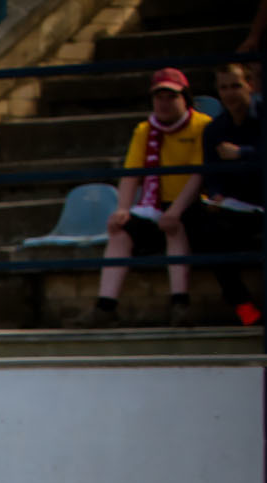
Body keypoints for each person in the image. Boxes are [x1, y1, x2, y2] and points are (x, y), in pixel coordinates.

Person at [78, 68, 215, 327]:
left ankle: (180, 304)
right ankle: (105, 307)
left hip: (189, 205)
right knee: (119, 230)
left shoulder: (202, 125)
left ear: (185, 98)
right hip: (151, 205)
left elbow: (199, 174)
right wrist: (122, 209)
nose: (164, 103)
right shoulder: (144, 130)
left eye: (171, 97)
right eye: (159, 97)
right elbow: (132, 174)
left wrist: (174, 211)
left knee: (175, 226)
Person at [195, 62, 265, 325]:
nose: (229, 93)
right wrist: (215, 196)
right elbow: (212, 175)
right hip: (238, 209)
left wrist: (242, 154)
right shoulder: (214, 130)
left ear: (250, 85)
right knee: (209, 234)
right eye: (223, 87)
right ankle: (246, 311)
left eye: (235, 85)